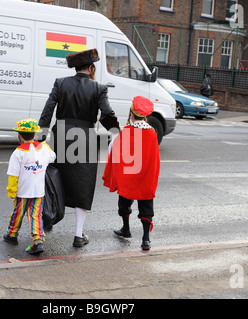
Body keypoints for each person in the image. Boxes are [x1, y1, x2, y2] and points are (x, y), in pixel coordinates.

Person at [38, 48, 121, 248]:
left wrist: (41, 136)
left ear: (76, 68)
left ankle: (46, 220)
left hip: (61, 135)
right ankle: (78, 235)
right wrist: (116, 131)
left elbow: (49, 108)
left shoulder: (61, 82)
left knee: (54, 177)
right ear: (91, 68)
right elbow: (106, 113)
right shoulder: (99, 88)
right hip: (86, 137)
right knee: (83, 185)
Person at [102, 96, 161, 251]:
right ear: (145, 116)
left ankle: (126, 229)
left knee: (124, 201)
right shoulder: (152, 133)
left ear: (132, 114)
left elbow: (118, 156)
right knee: (146, 205)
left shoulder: (126, 131)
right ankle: (146, 239)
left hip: (128, 176)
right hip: (145, 177)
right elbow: (154, 159)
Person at [4, 118, 56, 255]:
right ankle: (38, 240)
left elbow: (13, 175)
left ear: (19, 136)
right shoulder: (43, 149)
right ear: (35, 135)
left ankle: (12, 235)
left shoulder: (18, 153)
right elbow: (53, 157)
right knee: (36, 215)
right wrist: (44, 144)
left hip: (22, 191)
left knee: (18, 213)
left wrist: (11, 190)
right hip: (38, 191)